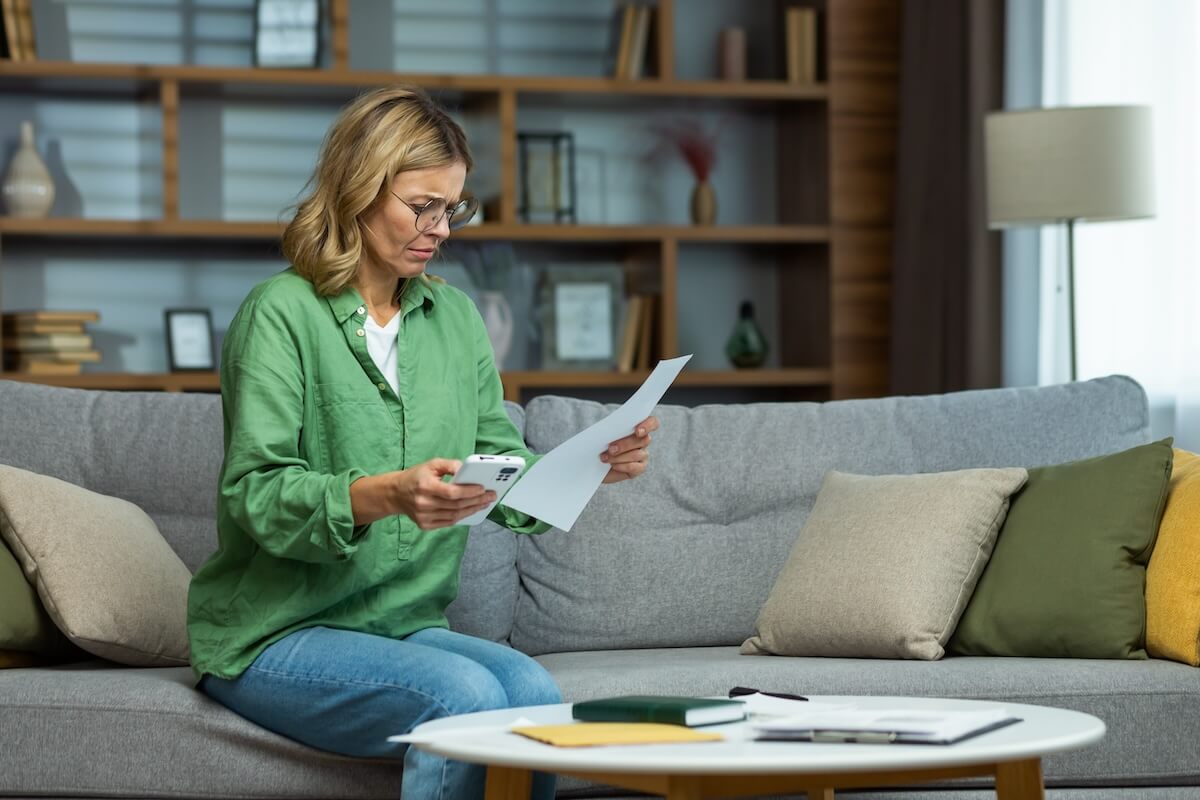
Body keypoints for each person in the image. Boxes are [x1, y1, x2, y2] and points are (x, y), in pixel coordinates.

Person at [186, 86, 660, 800]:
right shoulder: (279, 314)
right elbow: (256, 492)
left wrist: (587, 464)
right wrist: (389, 495)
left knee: (532, 691)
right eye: (421, 206)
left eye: (453, 209)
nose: (439, 228)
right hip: (274, 633)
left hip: (400, 624)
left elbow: (498, 462)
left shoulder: (455, 318)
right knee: (463, 701)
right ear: (358, 189)